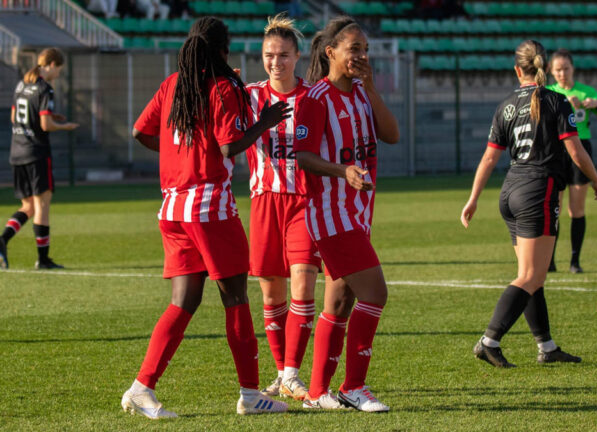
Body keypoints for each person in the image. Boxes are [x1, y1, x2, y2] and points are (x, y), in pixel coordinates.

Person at [121, 16, 293, 418]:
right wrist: (264, 122)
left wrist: (176, 154)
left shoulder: (173, 84)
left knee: (184, 301)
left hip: (172, 208)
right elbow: (232, 145)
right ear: (219, 49)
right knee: (235, 297)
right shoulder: (221, 87)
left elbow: (139, 132)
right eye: (227, 45)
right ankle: (251, 396)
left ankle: (142, 387)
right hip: (209, 208)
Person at [460, 40, 597, 368]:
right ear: (543, 68)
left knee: (533, 275)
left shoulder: (506, 105)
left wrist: (472, 199)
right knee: (530, 275)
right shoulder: (556, 101)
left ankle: (547, 346)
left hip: (510, 191)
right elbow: (576, 150)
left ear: (517, 70)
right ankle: (489, 340)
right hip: (538, 191)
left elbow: (488, 157)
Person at [293, 15, 400, 412]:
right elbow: (301, 156)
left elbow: (392, 135)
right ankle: (354, 387)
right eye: (355, 49)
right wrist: (343, 171)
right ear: (331, 52)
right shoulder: (316, 98)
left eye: (366, 50)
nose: (362, 56)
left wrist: (371, 88)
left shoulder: (360, 93)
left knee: (339, 304)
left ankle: (318, 392)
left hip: (358, 212)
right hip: (330, 211)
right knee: (376, 293)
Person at [244, 13, 319, 401]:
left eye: (284, 54)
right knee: (271, 295)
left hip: (304, 202)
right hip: (264, 203)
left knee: (303, 285)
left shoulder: (313, 97)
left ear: (297, 56)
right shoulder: (250, 96)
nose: (276, 62)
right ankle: (280, 372)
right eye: (270, 55)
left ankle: (292, 373)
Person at [1, 48, 78, 271]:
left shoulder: (21, 84)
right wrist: (64, 126)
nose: (59, 74)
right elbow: (45, 126)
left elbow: (15, 116)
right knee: (42, 206)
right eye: (59, 70)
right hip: (36, 153)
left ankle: (2, 240)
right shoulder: (45, 88)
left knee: (28, 206)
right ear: (52, 65)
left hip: (17, 151)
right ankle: (43, 260)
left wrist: (50, 117)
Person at [546, 49, 597, 273]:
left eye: (566, 68)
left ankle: (575, 261)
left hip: (581, 149)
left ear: (572, 68)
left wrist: (596, 104)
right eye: (558, 70)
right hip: (555, 150)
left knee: (577, 209)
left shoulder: (586, 92)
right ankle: (550, 261)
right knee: (553, 207)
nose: (562, 73)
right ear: (551, 71)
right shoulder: (548, 92)